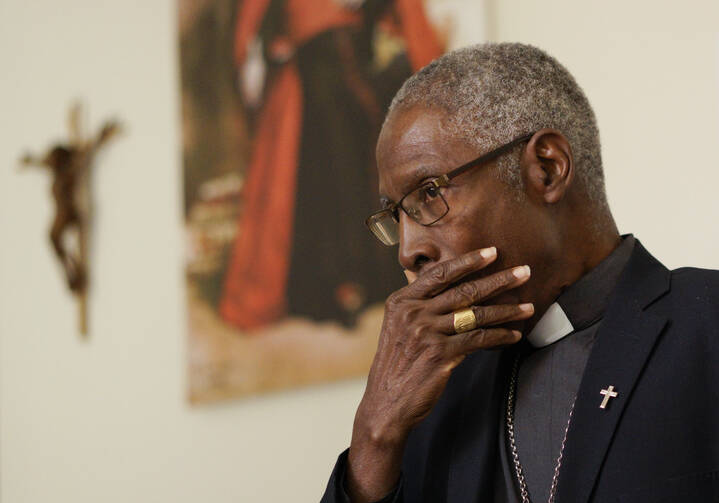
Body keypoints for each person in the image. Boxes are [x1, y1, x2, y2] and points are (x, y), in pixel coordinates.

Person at [320, 43, 719, 502]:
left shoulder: (706, 324)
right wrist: (375, 434)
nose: (408, 252)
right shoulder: (429, 397)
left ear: (546, 169)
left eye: (429, 193)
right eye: (396, 215)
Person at [220, 0, 442, 329]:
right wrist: (274, 45)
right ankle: (335, 287)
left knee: (357, 174)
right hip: (312, 72)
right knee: (321, 180)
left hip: (353, 61)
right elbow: (255, 28)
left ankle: (360, 281)